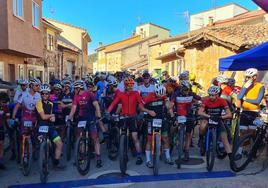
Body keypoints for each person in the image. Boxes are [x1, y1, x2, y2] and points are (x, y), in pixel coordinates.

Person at [107, 77, 156, 165]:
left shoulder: (136, 93)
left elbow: (141, 104)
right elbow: (113, 103)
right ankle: (122, 150)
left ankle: (139, 156)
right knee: (121, 134)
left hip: (133, 117)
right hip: (124, 117)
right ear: (125, 86)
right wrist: (108, 112)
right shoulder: (121, 94)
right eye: (128, 85)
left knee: (135, 137)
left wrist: (145, 110)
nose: (130, 87)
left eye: (131, 85)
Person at [68, 80, 103, 168]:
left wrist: (98, 116)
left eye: (75, 89)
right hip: (81, 119)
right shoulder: (76, 96)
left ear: (79, 88)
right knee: (79, 138)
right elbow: (73, 108)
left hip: (91, 118)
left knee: (95, 138)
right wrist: (69, 118)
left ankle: (98, 158)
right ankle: (81, 157)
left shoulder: (89, 94)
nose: (74, 90)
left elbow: (96, 105)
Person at [143, 84, 174, 168]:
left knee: (165, 138)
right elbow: (140, 107)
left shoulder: (164, 96)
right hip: (151, 119)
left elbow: (169, 107)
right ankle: (148, 160)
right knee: (149, 140)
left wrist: (171, 114)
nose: (160, 96)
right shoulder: (148, 97)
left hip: (161, 119)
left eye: (162, 95)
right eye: (159, 95)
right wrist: (148, 111)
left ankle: (168, 157)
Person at [198, 86, 233, 162]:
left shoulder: (222, 101)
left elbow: (229, 114)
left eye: (213, 95)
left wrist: (221, 117)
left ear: (217, 95)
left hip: (218, 119)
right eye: (210, 95)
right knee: (202, 126)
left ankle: (231, 159)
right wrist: (210, 116)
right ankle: (201, 138)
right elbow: (200, 112)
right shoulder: (206, 101)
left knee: (224, 138)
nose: (211, 97)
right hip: (208, 118)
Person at [36, 84, 65, 169]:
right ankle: (44, 164)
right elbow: (43, 117)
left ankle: (56, 162)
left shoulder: (51, 104)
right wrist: (51, 116)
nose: (44, 95)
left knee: (59, 143)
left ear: (49, 94)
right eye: (43, 93)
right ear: (40, 94)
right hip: (41, 127)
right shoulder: (38, 103)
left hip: (50, 127)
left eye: (46, 93)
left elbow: (52, 118)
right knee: (45, 145)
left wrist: (53, 117)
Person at [170, 80, 201, 161]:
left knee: (188, 134)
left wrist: (199, 103)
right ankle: (170, 140)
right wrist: (171, 112)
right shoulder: (176, 94)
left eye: (188, 90)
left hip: (188, 115)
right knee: (173, 127)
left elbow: (200, 99)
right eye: (185, 90)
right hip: (178, 114)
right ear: (181, 89)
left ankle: (186, 150)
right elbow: (171, 103)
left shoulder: (191, 94)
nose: (186, 92)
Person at [237, 68, 265, 133]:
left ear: (254, 77)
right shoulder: (245, 85)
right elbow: (239, 97)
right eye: (246, 77)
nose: (246, 79)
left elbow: (257, 101)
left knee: (251, 133)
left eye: (248, 77)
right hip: (244, 111)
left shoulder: (260, 86)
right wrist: (245, 87)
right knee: (242, 132)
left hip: (254, 112)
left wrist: (246, 99)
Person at [0, 93, 10, 169]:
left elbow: (7, 118)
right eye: (3, 102)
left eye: (6, 102)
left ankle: (1, 162)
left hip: (1, 128)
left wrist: (10, 125)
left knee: (1, 145)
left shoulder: (5, 107)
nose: (5, 104)